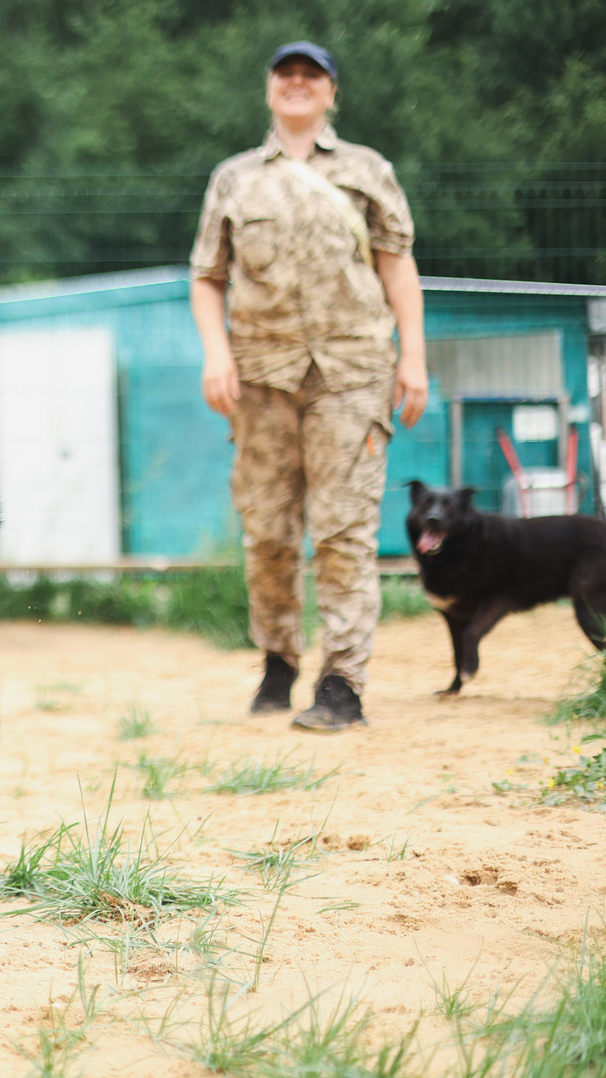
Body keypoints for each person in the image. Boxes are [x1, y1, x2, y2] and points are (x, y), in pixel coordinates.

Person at [189, 40, 427, 732]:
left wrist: (412, 355)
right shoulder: (234, 178)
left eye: (312, 75)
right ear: (269, 90)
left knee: (345, 530)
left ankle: (343, 684)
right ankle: (278, 660)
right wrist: (216, 353)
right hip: (260, 377)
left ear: (331, 94)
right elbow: (207, 277)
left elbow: (397, 265)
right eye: (285, 74)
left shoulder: (367, 170)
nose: (297, 84)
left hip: (352, 373)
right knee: (267, 533)